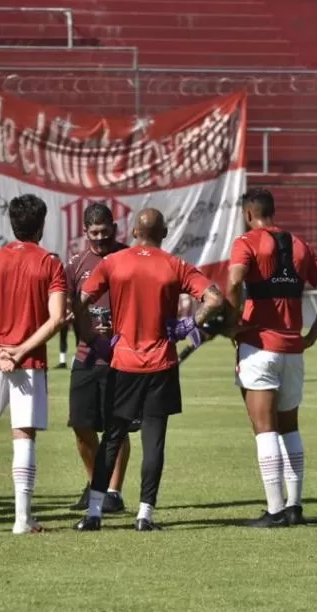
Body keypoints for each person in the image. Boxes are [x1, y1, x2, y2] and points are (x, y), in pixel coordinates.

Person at [75, 208, 224, 532]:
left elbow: (80, 300)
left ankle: (95, 514)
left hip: (123, 362)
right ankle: (145, 515)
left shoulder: (114, 263)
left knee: (112, 438)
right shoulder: (175, 265)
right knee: (154, 441)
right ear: (165, 232)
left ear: (132, 232)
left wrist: (91, 338)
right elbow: (214, 299)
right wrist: (188, 325)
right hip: (162, 363)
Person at [225, 188, 317, 527]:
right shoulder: (300, 245)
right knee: (290, 428)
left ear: (248, 214)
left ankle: (274, 510)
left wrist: (233, 325)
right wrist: (313, 334)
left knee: (264, 430)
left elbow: (233, 281)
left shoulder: (247, 242)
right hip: (293, 350)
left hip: (260, 348)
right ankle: (294, 505)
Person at [0, 194, 67, 535]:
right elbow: (55, 320)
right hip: (29, 362)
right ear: (41, 224)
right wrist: (19, 352)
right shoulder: (50, 263)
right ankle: (22, 519)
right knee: (23, 436)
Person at [64, 203, 131, 514]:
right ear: (85, 232)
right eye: (95, 233)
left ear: (115, 228)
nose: (101, 238)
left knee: (118, 427)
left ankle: (114, 492)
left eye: (106, 232)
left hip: (123, 358)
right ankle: (95, 487)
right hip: (86, 357)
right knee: (81, 424)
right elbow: (67, 306)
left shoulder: (129, 258)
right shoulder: (76, 264)